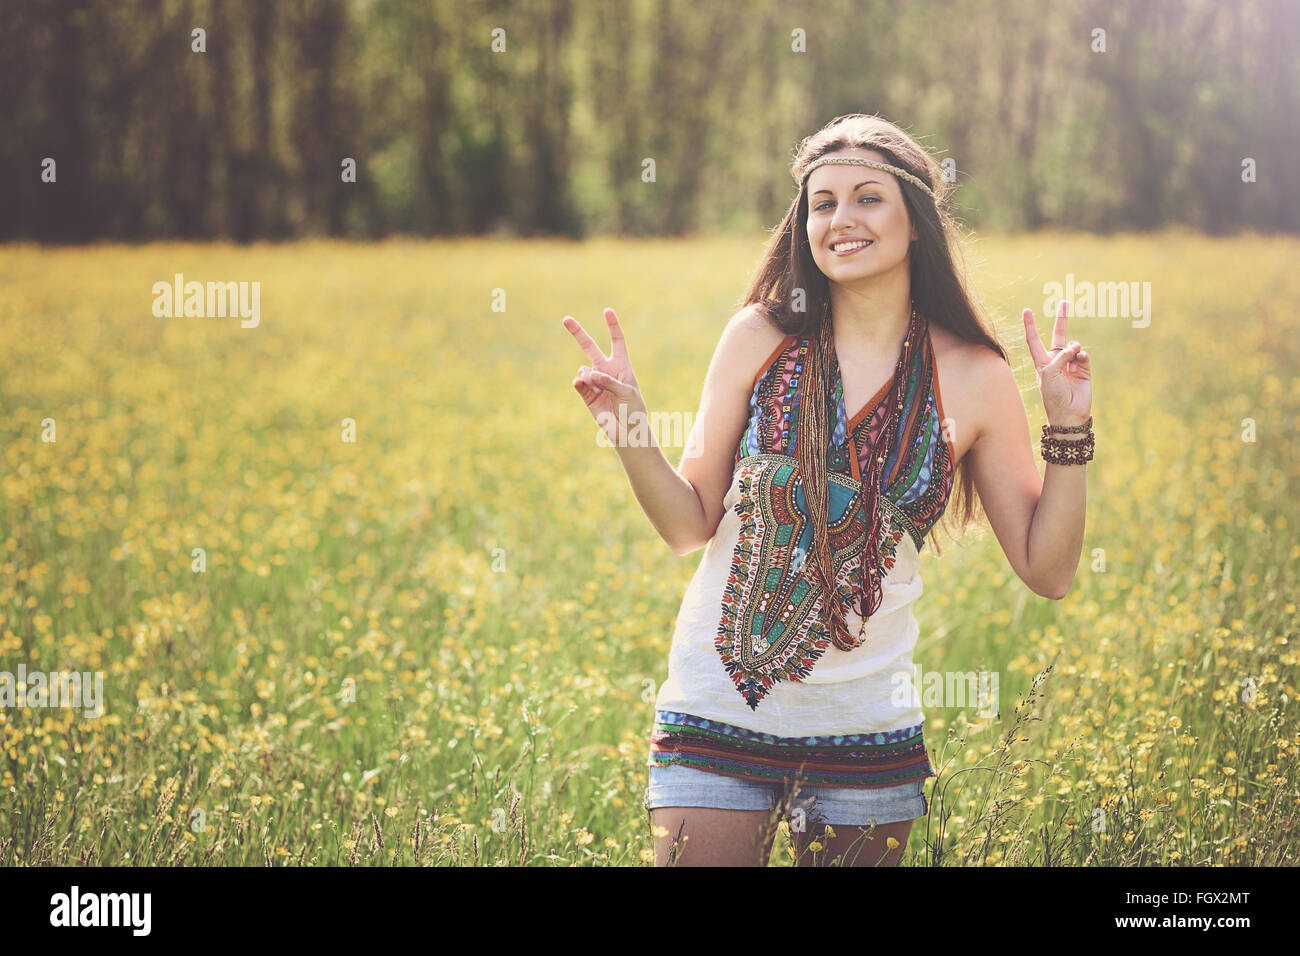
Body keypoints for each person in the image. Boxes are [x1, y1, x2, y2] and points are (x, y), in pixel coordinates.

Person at [562, 113, 1093, 867]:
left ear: (917, 222)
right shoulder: (759, 335)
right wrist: (629, 427)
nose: (841, 219)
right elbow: (689, 526)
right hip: (714, 713)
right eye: (822, 203)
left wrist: (1068, 430)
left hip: (867, 731)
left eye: (867, 198)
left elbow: (1051, 571)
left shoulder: (976, 377)